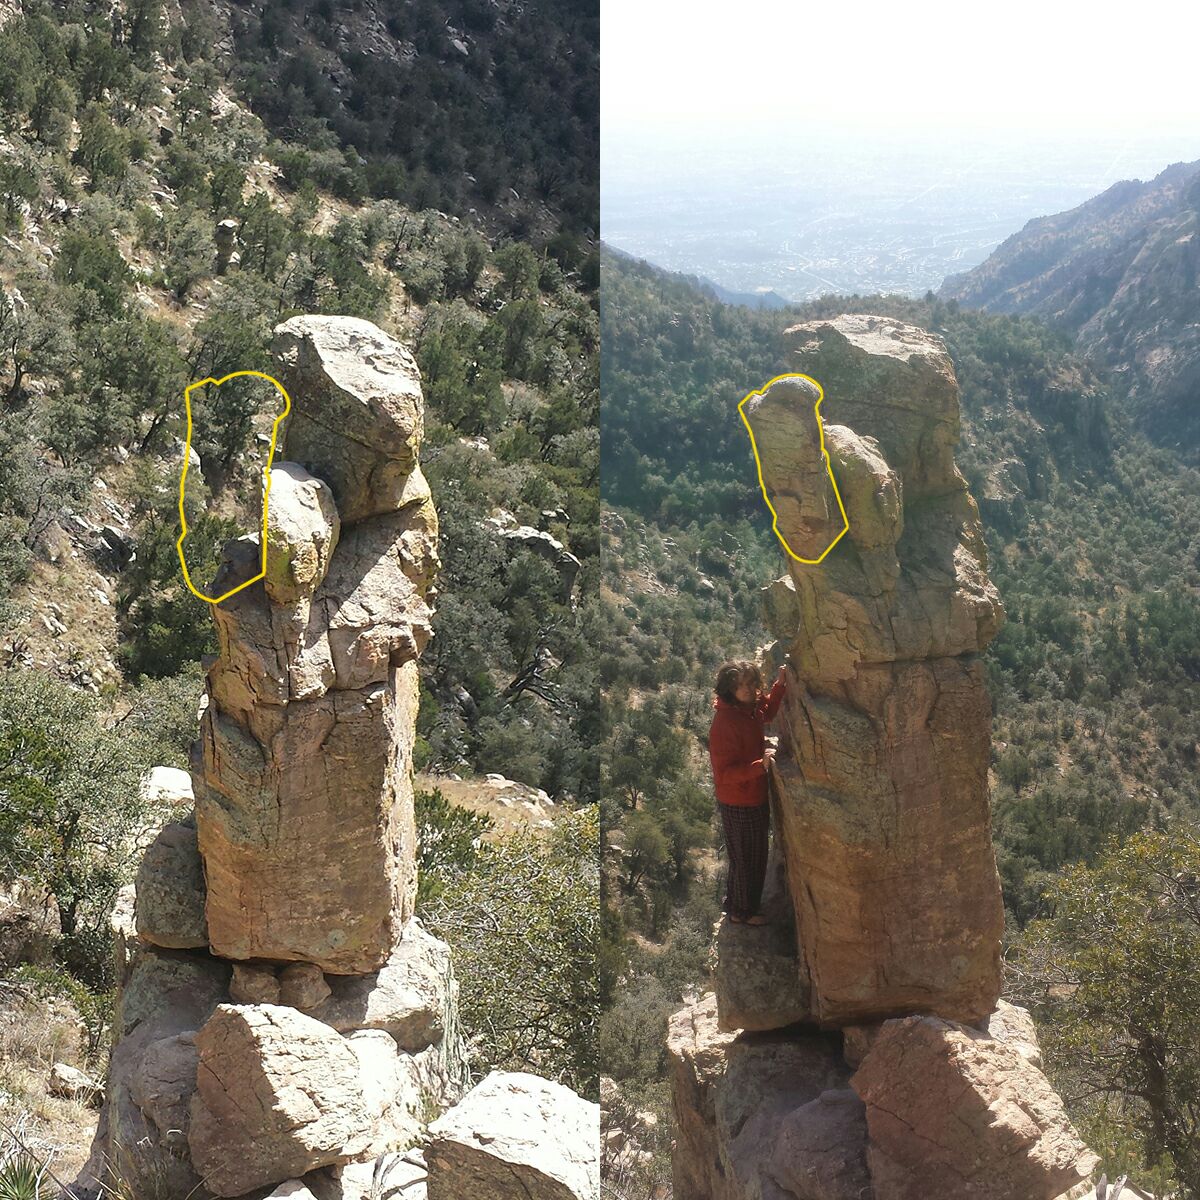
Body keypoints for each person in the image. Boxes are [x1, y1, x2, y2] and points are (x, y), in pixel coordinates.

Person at [708, 659, 788, 926]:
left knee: (752, 855)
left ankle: (736, 903)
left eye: (752, 684)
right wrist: (759, 766)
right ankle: (742, 913)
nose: (748, 689)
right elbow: (725, 773)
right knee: (746, 858)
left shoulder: (749, 709)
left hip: (752, 794)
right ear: (729, 688)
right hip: (738, 799)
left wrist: (781, 684)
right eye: (740, 685)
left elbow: (769, 711)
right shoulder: (725, 721)